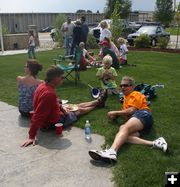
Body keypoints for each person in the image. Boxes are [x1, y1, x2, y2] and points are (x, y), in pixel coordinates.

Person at [21, 66, 107, 147]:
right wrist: (31, 136)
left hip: (53, 114)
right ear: (55, 78)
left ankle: (97, 101)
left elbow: (52, 103)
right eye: (62, 77)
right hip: (53, 122)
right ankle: (98, 104)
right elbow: (38, 115)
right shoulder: (49, 93)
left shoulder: (43, 85)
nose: (63, 79)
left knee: (75, 106)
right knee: (79, 110)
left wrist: (62, 108)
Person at [89, 76, 168, 163]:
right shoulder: (126, 99)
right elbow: (126, 112)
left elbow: (131, 110)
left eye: (125, 85)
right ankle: (156, 143)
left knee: (123, 128)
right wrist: (115, 116)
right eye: (121, 85)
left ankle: (111, 152)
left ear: (132, 87)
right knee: (124, 137)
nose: (122, 87)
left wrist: (115, 112)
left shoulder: (135, 94)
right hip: (141, 122)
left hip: (143, 114)